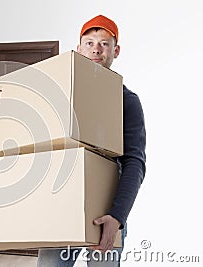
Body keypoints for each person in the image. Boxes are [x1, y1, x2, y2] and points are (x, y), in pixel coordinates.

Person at [37, 15, 146, 266]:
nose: (96, 48)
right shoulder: (61, 94)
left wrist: (117, 217)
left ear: (115, 51)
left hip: (106, 211)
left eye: (104, 43)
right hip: (62, 206)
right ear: (79, 48)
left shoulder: (127, 101)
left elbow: (135, 162)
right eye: (89, 42)